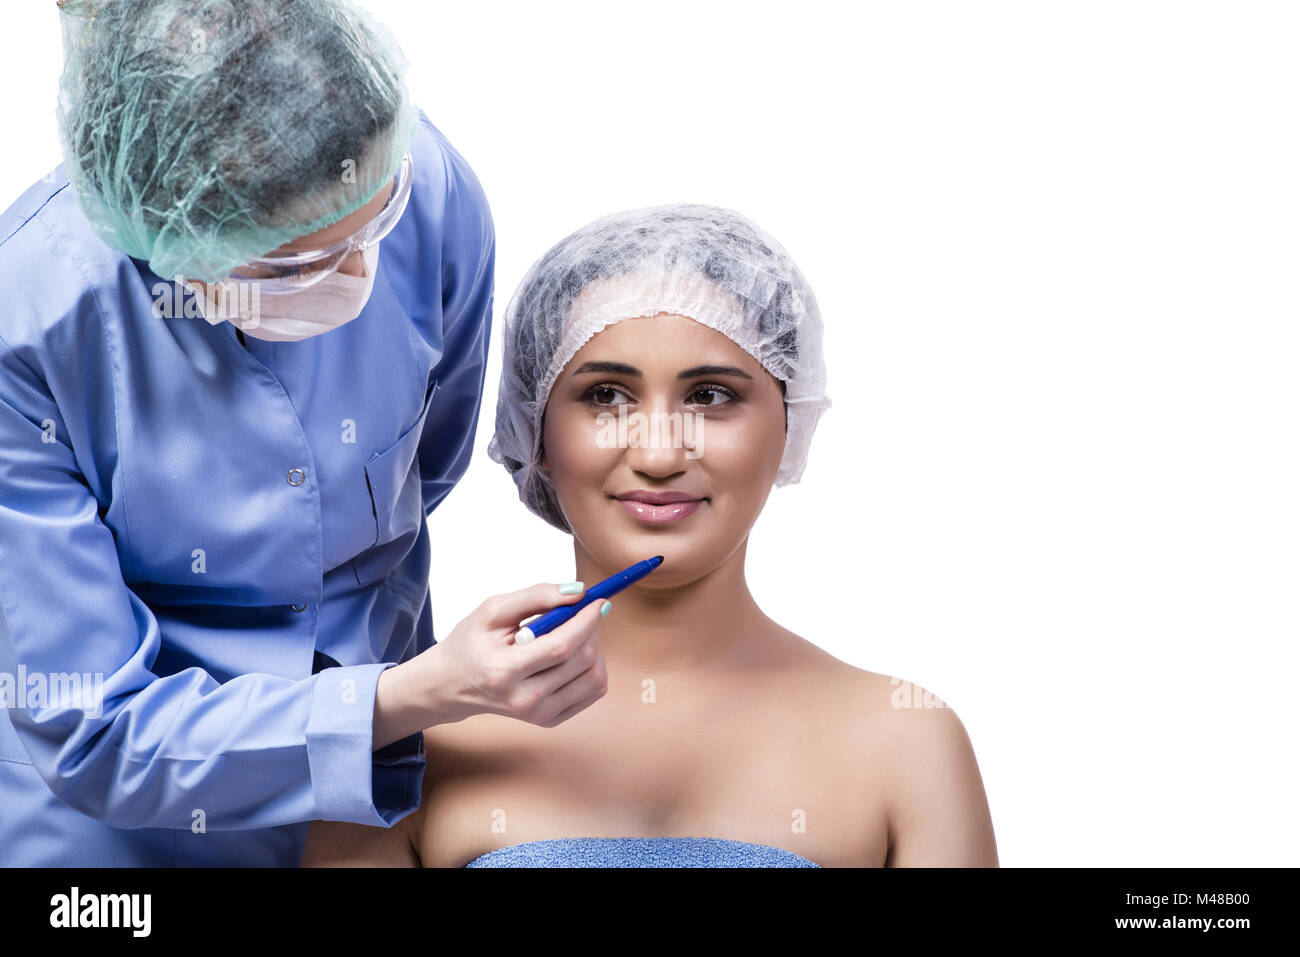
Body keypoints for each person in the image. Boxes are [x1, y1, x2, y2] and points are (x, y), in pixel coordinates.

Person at [0, 0, 606, 866]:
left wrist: (401, 701)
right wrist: (403, 697)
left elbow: (428, 470)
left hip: (379, 798)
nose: (360, 273)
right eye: (293, 262)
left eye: (372, 225)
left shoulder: (422, 183)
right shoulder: (29, 330)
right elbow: (95, 728)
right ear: (167, 237)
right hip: (118, 835)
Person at [301, 204, 999, 867]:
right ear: (535, 428)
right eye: (605, 395)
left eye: (711, 395)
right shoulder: (403, 744)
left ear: (790, 420)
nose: (661, 452)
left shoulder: (907, 743)